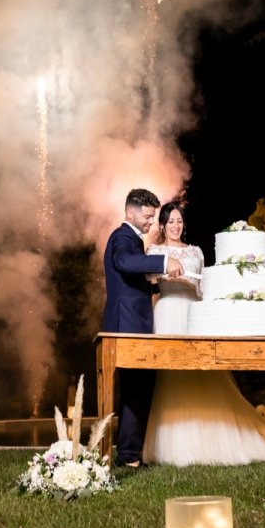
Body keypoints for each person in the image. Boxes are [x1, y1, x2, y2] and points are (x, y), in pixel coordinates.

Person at [141, 202, 265, 466]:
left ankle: (213, 438)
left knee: (204, 373)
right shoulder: (155, 251)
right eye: (171, 221)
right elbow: (150, 281)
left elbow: (205, 287)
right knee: (171, 377)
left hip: (195, 312)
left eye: (179, 221)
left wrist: (191, 284)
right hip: (168, 313)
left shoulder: (196, 251)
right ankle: (172, 444)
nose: (175, 226)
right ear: (162, 224)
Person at [103, 188, 183, 467]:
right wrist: (164, 260)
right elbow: (122, 263)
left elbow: (131, 282)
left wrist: (158, 284)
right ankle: (128, 456)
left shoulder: (133, 240)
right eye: (148, 217)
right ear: (130, 213)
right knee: (137, 389)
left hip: (133, 322)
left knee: (138, 389)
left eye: (152, 217)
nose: (151, 222)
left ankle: (129, 455)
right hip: (126, 325)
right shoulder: (122, 237)